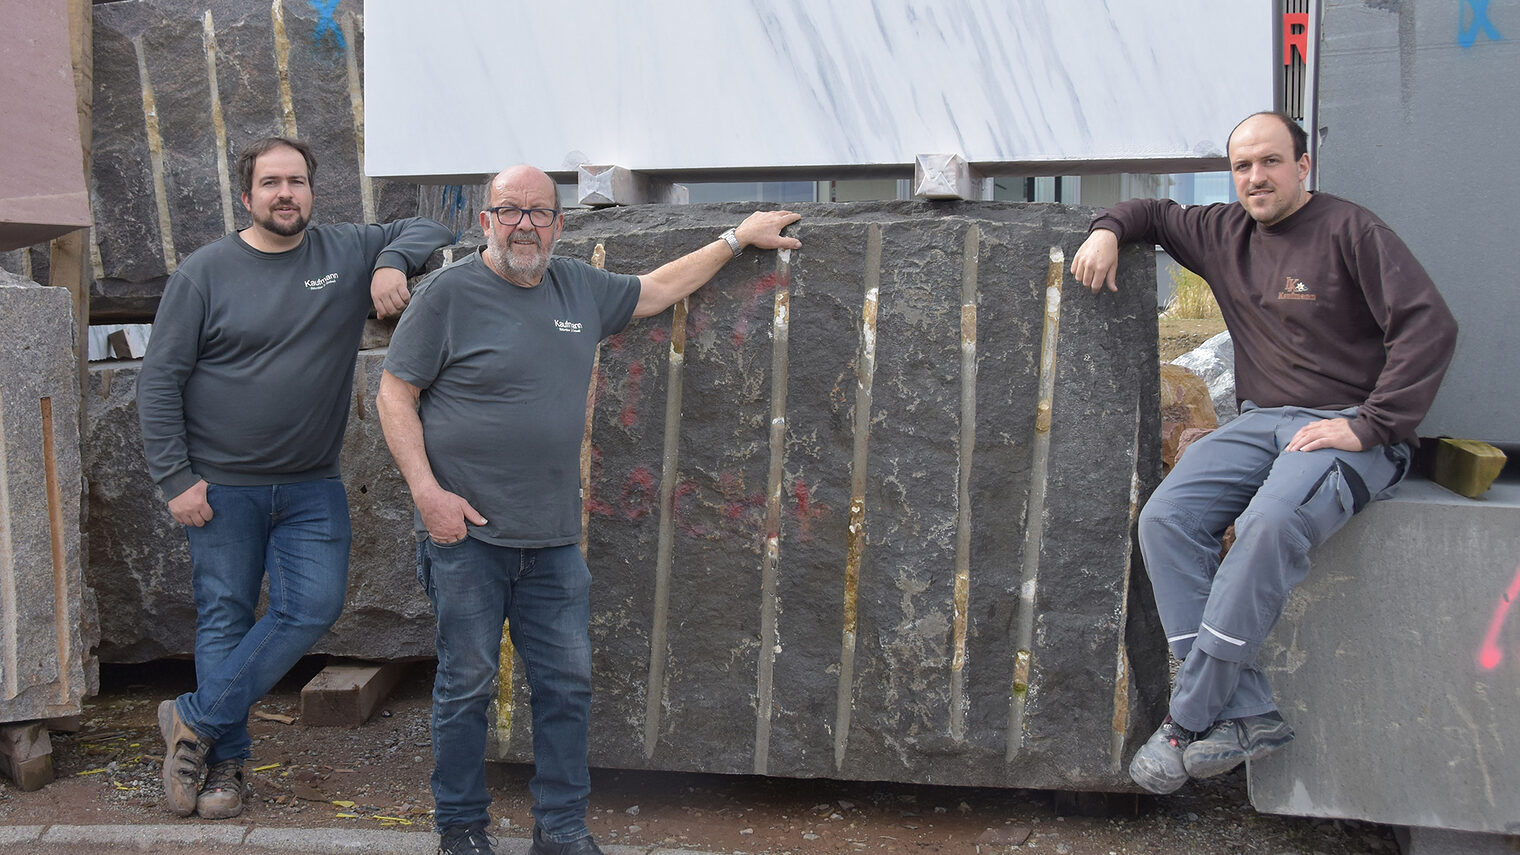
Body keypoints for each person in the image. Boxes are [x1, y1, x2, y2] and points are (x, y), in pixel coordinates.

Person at [375, 165, 800, 855]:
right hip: (466, 539)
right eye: (510, 211)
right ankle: (460, 828)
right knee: (465, 686)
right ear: (486, 220)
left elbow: (659, 288)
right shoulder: (447, 295)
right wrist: (427, 493)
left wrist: (737, 238)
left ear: (559, 223)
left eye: (540, 213)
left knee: (566, 688)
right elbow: (394, 396)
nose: (525, 225)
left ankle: (562, 829)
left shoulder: (576, 286)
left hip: (552, 542)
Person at [1070, 111, 1457, 795]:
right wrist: (1107, 228)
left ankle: (1187, 720)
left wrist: (1371, 424)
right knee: (1165, 519)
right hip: (1262, 422)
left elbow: (1429, 323)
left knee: (1268, 524)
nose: (1256, 177)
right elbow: (1152, 212)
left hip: (1348, 427)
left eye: (1271, 162)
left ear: (1303, 167)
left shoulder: (1351, 230)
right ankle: (1245, 711)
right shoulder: (1223, 232)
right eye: (1243, 165)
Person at [137, 136, 454, 819]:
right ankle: (225, 765)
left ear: (313, 191)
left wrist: (391, 260)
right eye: (271, 182)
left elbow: (432, 226)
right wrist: (175, 478)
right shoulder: (205, 274)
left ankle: (191, 715)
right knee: (224, 616)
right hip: (221, 489)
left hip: (311, 485)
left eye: (298, 181)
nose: (286, 193)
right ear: (246, 196)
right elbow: (158, 380)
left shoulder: (342, 252)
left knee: (311, 605)